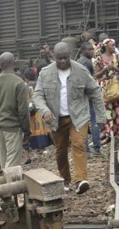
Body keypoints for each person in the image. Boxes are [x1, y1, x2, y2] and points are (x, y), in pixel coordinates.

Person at [33, 43, 105, 195]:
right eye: (59, 59)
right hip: (56, 119)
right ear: (54, 56)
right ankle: (65, 179)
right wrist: (44, 110)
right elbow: (38, 95)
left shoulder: (81, 71)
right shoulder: (45, 73)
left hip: (78, 117)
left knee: (79, 145)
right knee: (60, 150)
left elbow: (95, 92)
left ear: (70, 55)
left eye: (65, 58)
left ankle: (81, 180)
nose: (63, 61)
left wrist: (100, 116)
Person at [0, 52, 31, 170]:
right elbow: (23, 111)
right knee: (13, 165)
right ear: (14, 63)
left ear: (0, 65)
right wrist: (27, 131)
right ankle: (9, 187)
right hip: (13, 128)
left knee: (4, 160)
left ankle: (5, 183)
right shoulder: (19, 83)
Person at [94, 38, 119, 143]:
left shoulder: (118, 57)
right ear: (106, 47)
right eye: (112, 45)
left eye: (114, 45)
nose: (114, 47)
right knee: (108, 112)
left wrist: (114, 68)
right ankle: (110, 135)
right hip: (107, 89)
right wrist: (104, 69)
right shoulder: (99, 59)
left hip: (117, 87)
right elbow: (95, 75)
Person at [23, 68, 52, 164]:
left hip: (32, 111)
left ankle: (36, 147)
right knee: (43, 128)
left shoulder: (26, 87)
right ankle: (44, 145)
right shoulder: (39, 84)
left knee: (34, 129)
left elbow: (27, 100)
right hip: (41, 109)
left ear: (26, 78)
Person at [78, 42, 101, 155]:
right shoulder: (87, 63)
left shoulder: (79, 61)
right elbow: (88, 81)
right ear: (83, 51)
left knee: (83, 123)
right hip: (88, 96)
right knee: (94, 121)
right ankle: (96, 148)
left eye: (92, 49)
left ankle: (86, 149)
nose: (92, 51)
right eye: (89, 50)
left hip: (81, 96)